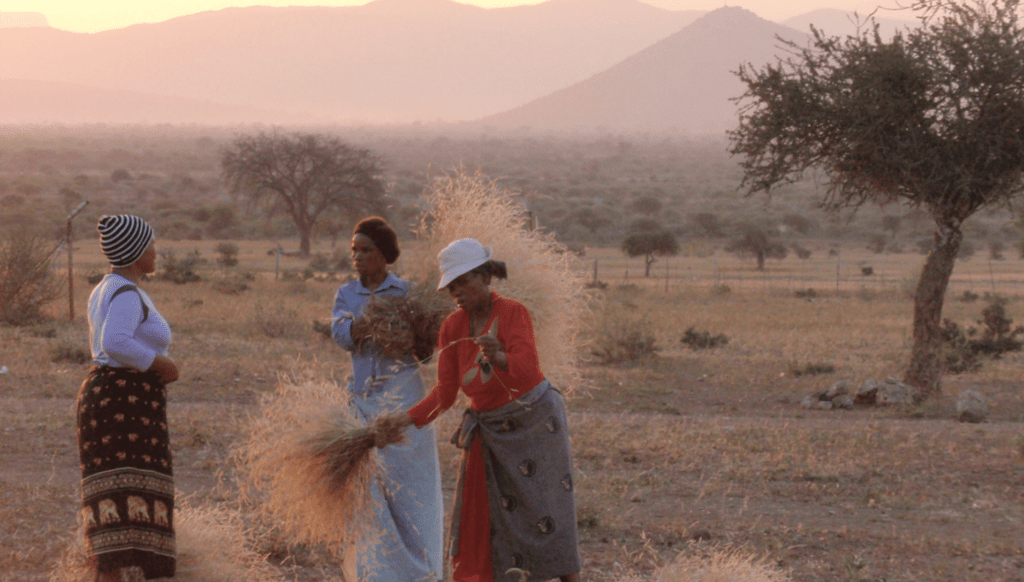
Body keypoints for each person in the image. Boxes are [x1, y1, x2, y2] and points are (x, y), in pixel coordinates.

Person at [374, 238, 582, 582]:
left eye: (464, 281)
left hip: (536, 422)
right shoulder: (452, 328)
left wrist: (500, 358)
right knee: (491, 518)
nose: (457, 291)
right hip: (491, 431)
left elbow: (529, 368)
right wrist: (404, 420)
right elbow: (445, 394)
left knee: (547, 511)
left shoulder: (514, 313)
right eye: (452, 285)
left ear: (486, 277)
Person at [331, 217, 444, 582]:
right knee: (370, 493)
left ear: (384, 255)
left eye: (366, 250)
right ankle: (377, 573)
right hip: (363, 403)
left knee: (411, 488)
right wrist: (372, 322)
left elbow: (426, 353)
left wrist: (420, 330)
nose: (358, 257)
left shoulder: (408, 293)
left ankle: (420, 570)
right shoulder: (346, 294)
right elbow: (342, 334)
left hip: (403, 404)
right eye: (354, 250)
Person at [77, 215, 179, 581]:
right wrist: (160, 364)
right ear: (136, 253)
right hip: (124, 405)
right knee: (133, 496)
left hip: (108, 400)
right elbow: (114, 342)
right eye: (150, 245)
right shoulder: (126, 293)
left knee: (115, 500)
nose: (156, 252)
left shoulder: (106, 287)